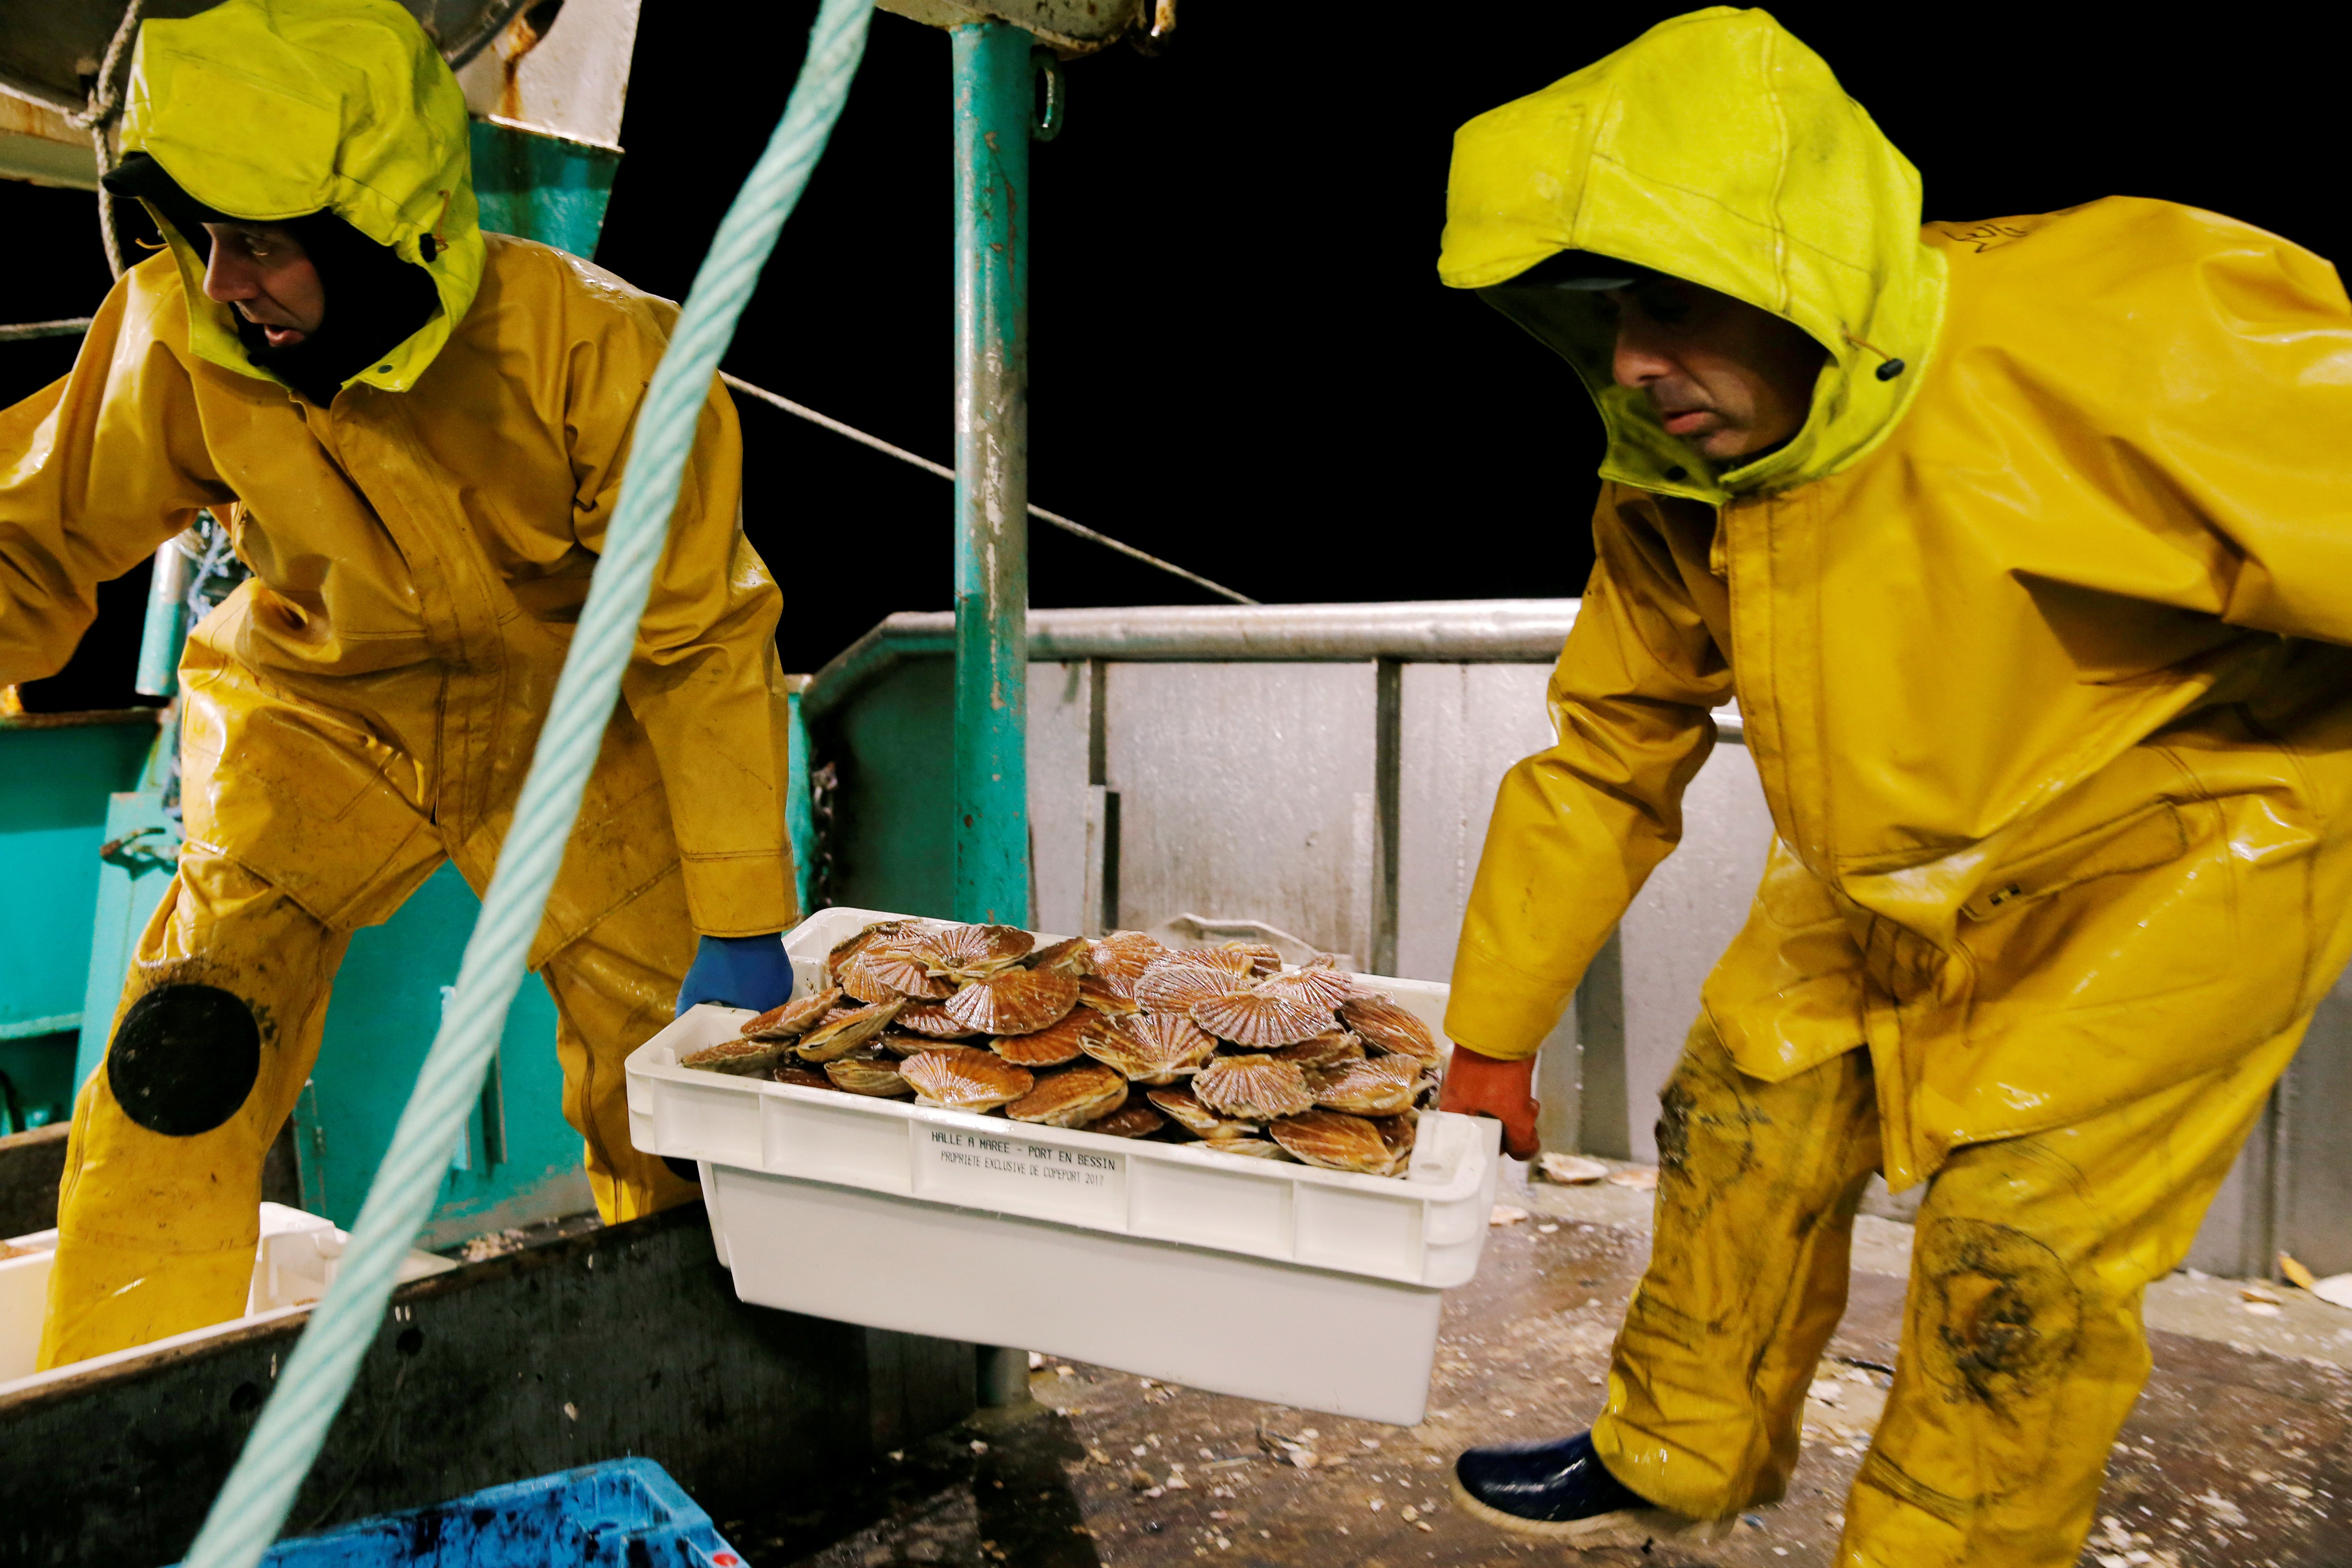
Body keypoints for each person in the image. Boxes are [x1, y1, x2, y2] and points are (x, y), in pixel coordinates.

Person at [1430, 8, 2352, 1565]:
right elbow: (1607, 750)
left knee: (2021, 1248)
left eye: (1677, 303)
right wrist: (1488, 1042)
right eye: (1596, 323)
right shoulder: (1674, 478)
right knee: (1737, 1113)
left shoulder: (2130, 320)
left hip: (2189, 844)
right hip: (1880, 862)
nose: (1639, 368)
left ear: (1800, 267)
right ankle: (1679, 1452)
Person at [0, 0, 801, 1370]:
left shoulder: (601, 350)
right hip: (318, 715)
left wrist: (741, 912)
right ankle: (117, 1428)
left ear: (380, 219)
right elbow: (31, 536)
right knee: (179, 1060)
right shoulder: (177, 331)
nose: (226, 281)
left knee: (678, 1088)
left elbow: (695, 636)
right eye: (200, 240)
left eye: (261, 242)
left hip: (570, 725)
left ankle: (726, 1391)